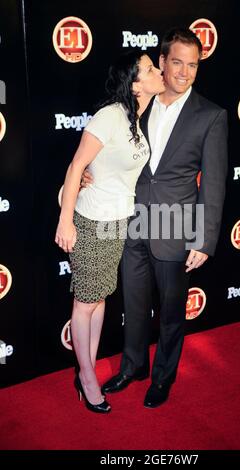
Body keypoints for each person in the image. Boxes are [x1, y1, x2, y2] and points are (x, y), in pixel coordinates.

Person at [84, 27, 228, 408]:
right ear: (161, 63)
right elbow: (111, 149)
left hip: (175, 228)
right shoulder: (139, 105)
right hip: (133, 221)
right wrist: (88, 172)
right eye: (176, 62)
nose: (184, 72)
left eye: (193, 65)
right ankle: (134, 367)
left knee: (170, 311)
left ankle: (163, 376)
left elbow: (213, 183)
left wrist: (204, 238)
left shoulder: (211, 116)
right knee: (132, 303)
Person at [54, 50, 165, 413]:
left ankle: (86, 367)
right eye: (150, 69)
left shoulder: (134, 119)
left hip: (116, 223)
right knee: (86, 301)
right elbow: (76, 167)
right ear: (135, 84)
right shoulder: (110, 116)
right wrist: (65, 220)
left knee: (99, 298)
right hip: (91, 221)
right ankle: (86, 377)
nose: (159, 71)